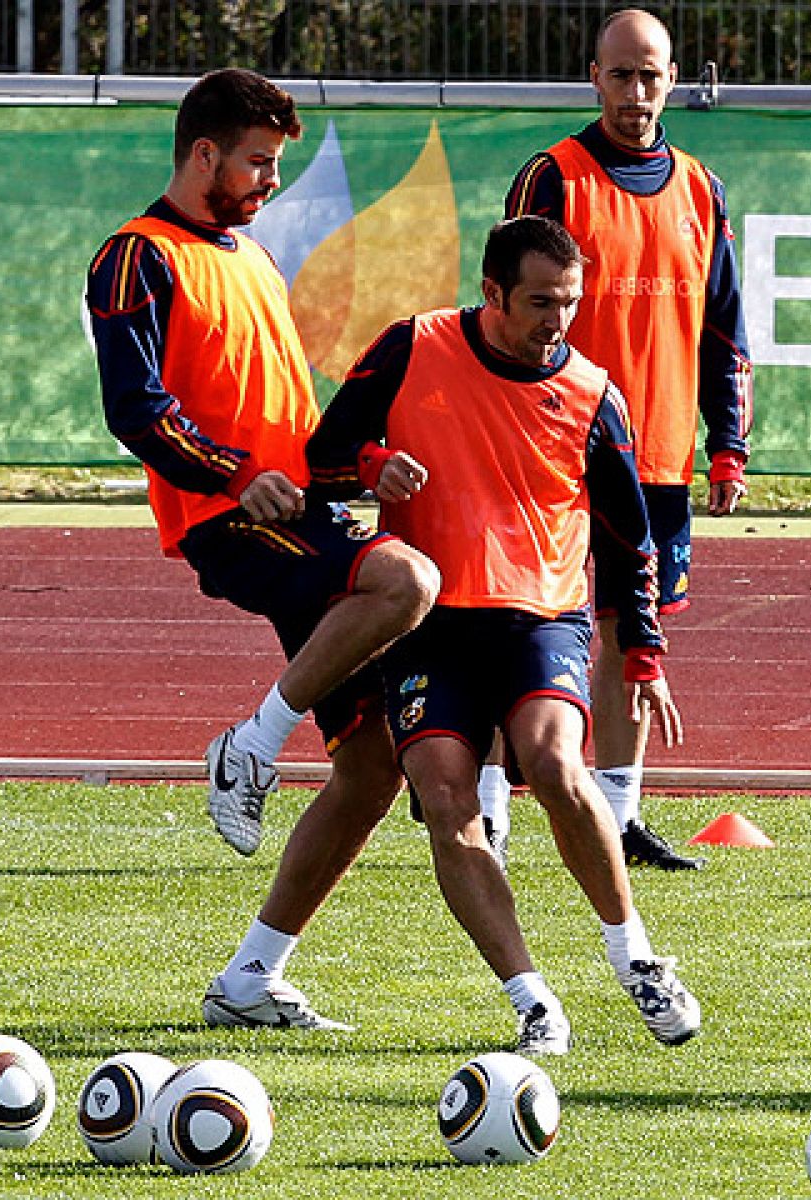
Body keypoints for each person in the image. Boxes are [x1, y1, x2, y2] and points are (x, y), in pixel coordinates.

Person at [86, 68, 440, 1028]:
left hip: (298, 515)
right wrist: (236, 478)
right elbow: (136, 408)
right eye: (258, 161)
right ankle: (251, 744)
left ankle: (248, 979)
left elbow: (296, 426)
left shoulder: (248, 257)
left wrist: (364, 465)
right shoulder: (135, 256)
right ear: (204, 153)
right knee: (408, 579)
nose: (271, 180)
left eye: (277, 163)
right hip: (230, 522)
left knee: (371, 772)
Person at [306, 215, 701, 1054]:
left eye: (568, 303)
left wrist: (645, 651)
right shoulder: (412, 347)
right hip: (428, 627)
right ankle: (533, 1003)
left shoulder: (595, 394)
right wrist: (374, 467)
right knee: (450, 806)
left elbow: (630, 539)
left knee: (557, 765)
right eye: (538, 302)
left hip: (540, 620)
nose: (556, 320)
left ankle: (635, 959)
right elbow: (323, 454)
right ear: (491, 293)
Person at [491, 6, 754, 872]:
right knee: (520, 617)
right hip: (554, 448)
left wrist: (729, 442)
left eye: (651, 74)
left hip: (662, 454)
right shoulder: (553, 177)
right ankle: (489, 805)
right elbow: (504, 307)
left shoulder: (700, 186)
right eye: (621, 74)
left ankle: (618, 816)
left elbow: (723, 324)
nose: (636, 92)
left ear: (674, 78)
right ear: (593, 78)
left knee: (625, 630)